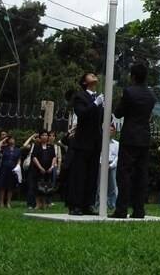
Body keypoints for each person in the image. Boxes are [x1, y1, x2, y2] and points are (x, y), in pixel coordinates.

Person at [111, 62, 156, 219]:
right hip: (144, 137)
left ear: (133, 76)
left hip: (130, 137)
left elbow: (118, 113)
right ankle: (139, 210)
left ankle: (121, 209)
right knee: (141, 174)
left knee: (124, 173)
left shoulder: (128, 92)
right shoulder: (151, 95)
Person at [67, 72, 104, 216]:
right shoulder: (80, 96)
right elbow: (81, 113)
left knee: (92, 175)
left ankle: (88, 204)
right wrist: (95, 104)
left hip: (95, 142)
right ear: (84, 82)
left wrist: (103, 108)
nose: (94, 76)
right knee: (79, 175)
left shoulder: (98, 97)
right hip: (82, 142)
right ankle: (76, 205)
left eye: (95, 74)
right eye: (90, 75)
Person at [32, 131, 57, 210]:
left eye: (46, 135)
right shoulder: (37, 146)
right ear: (40, 137)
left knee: (46, 187)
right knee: (38, 187)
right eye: (43, 135)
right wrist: (40, 167)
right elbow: (34, 157)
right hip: (38, 170)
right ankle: (38, 204)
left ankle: (44, 204)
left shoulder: (51, 146)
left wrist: (52, 167)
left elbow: (54, 157)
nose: (45, 136)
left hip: (48, 170)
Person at [0, 135, 20, 208]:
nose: (12, 140)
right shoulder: (4, 148)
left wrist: (18, 166)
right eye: (10, 139)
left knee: (11, 187)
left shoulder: (17, 150)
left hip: (13, 169)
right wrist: (4, 139)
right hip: (4, 168)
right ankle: (1, 202)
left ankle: (8, 202)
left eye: (13, 139)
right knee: (2, 186)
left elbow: (19, 159)